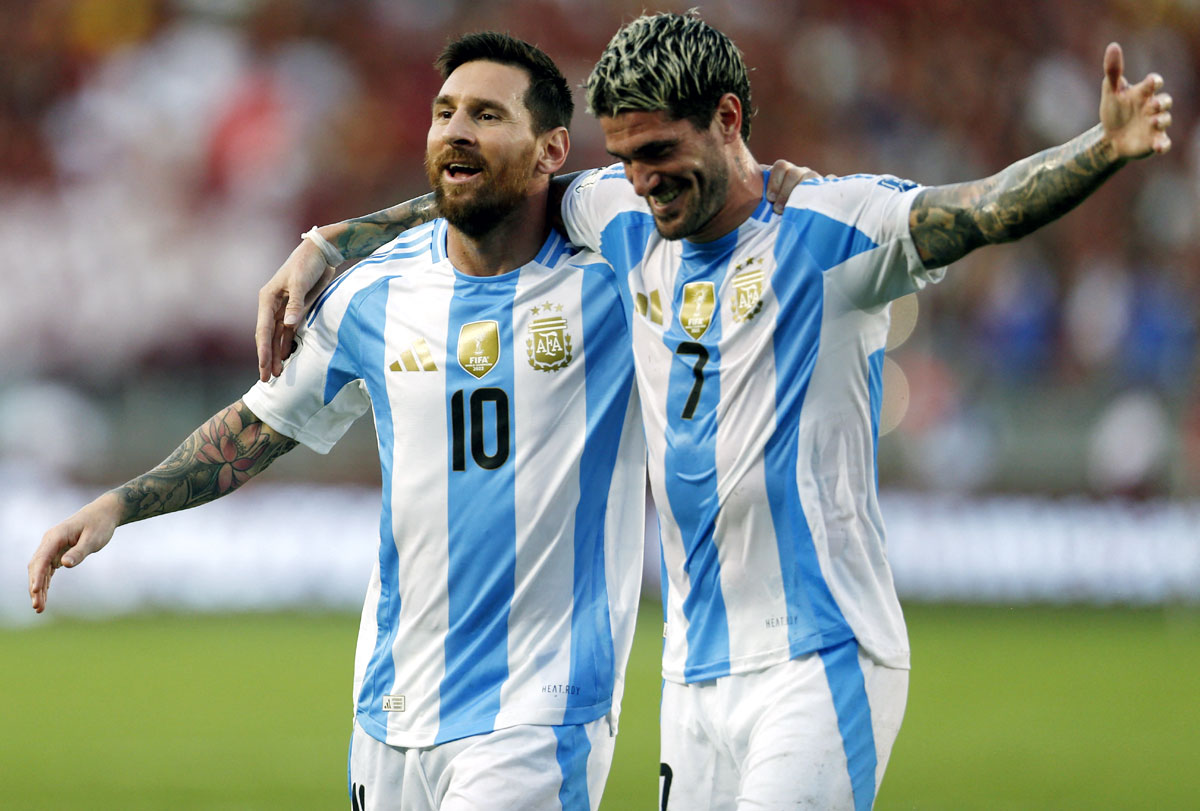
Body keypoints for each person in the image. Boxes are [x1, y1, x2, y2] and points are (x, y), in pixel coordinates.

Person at [252, 13, 1172, 811]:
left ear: (728, 119)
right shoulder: (622, 216)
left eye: (659, 155)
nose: (642, 181)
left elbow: (974, 212)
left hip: (820, 651)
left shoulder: (833, 229)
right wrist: (330, 240)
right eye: (624, 159)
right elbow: (491, 185)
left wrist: (1099, 149)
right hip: (692, 674)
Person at [30, 33, 653, 811]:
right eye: (444, 112)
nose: (456, 129)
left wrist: (336, 232)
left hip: (540, 706)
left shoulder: (618, 273)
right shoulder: (373, 293)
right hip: (391, 701)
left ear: (551, 148)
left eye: (488, 114)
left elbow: (664, 186)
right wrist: (116, 504)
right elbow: (257, 429)